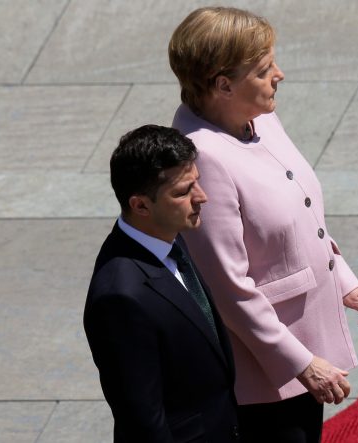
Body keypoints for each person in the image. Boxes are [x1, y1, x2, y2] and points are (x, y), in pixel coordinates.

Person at [169, 7, 358, 442]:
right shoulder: (203, 158)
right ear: (223, 84)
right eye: (264, 68)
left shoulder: (260, 118)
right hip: (266, 374)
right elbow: (226, 286)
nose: (279, 75)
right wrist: (300, 362)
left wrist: (343, 280)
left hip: (305, 346)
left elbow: (301, 213)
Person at [83, 125, 240, 442]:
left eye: (197, 182)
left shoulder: (170, 237)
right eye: (183, 192)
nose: (202, 197)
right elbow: (143, 420)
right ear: (140, 205)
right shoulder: (120, 297)